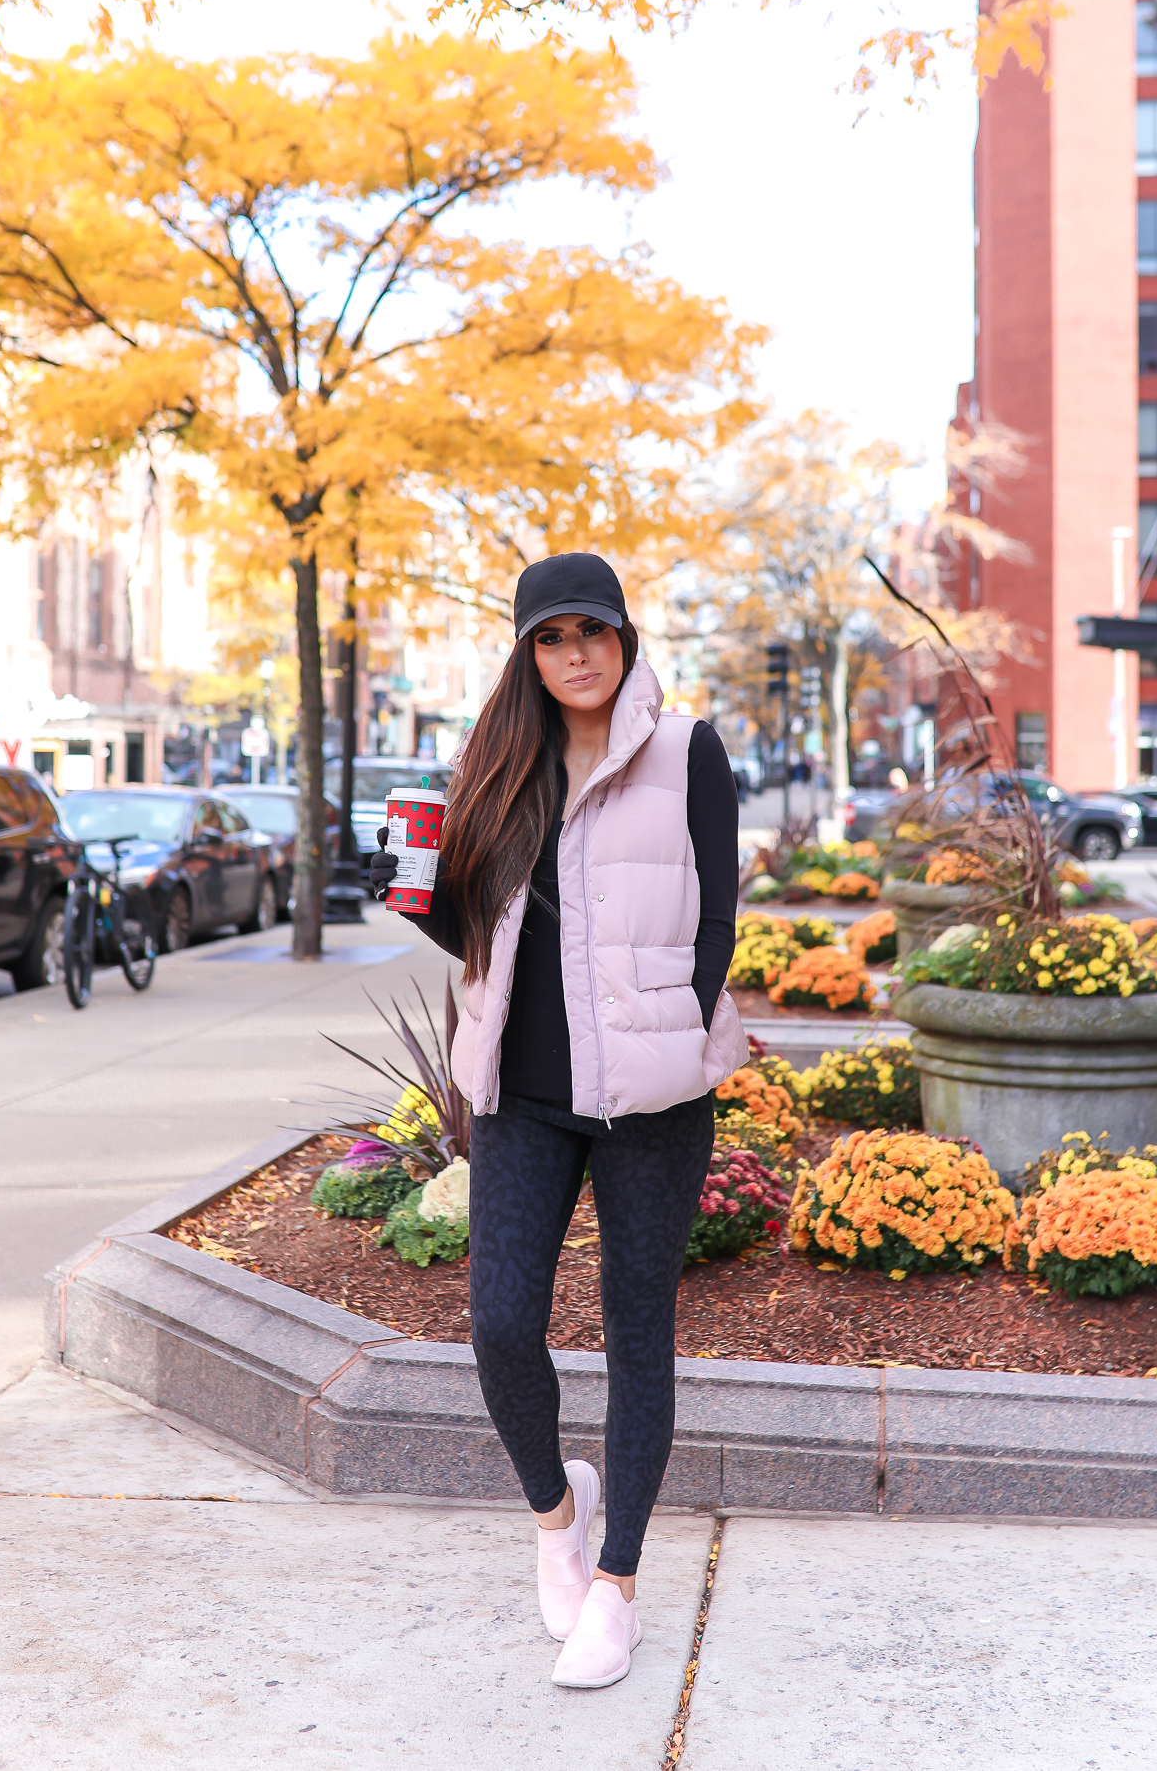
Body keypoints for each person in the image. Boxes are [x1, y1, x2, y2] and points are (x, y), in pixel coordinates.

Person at [369, 553, 744, 1690]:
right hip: (521, 1098)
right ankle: (555, 1516)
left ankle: (618, 1589)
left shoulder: (688, 753)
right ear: (527, 653)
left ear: (625, 640)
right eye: (551, 637)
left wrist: (672, 1042)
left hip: (650, 1105)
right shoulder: (496, 767)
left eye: (593, 632)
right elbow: (474, 933)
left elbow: (718, 919)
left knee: (639, 1336)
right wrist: (410, 888)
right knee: (496, 1325)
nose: (575, 654)